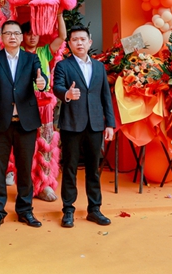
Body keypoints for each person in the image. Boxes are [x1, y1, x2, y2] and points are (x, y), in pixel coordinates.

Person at [0, 20, 48, 230]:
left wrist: (42, 82)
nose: (12, 37)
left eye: (16, 33)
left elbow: (40, 76)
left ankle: (25, 210)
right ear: (1, 36)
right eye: (8, 33)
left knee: (25, 169)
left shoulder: (31, 58)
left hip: (25, 124)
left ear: (21, 37)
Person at [52, 25, 115, 229]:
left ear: (90, 42)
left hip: (95, 124)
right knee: (70, 168)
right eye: (75, 40)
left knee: (93, 169)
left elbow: (105, 96)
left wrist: (110, 124)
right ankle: (68, 210)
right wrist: (67, 94)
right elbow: (57, 87)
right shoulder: (63, 66)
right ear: (69, 44)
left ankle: (94, 209)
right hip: (72, 124)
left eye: (82, 39)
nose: (79, 43)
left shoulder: (99, 67)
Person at [6, 13, 66, 202]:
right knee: (23, 146)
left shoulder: (44, 51)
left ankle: (45, 185)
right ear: (22, 36)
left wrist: (59, 14)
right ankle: (26, 186)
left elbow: (62, 37)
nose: (32, 37)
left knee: (45, 145)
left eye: (35, 33)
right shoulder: (17, 54)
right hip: (23, 103)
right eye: (28, 33)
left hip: (45, 104)